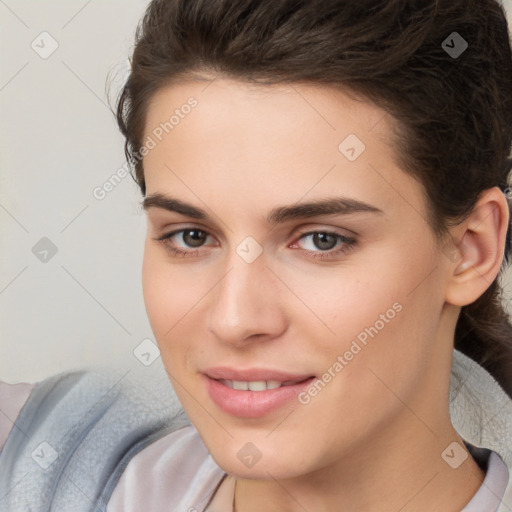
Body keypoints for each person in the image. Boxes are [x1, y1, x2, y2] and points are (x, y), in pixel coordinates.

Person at [1, 0, 512, 510]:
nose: (234, 319)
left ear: (471, 250)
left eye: (321, 240)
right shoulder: (35, 461)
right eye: (192, 236)